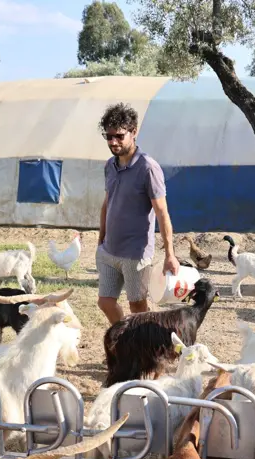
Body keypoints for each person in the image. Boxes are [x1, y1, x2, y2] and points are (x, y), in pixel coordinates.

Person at [96, 102, 179, 325]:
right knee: (105, 302)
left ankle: (143, 351)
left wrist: (170, 254)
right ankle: (125, 339)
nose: (113, 141)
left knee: (138, 308)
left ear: (134, 132)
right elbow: (107, 202)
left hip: (136, 253)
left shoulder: (148, 168)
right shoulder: (109, 166)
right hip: (109, 250)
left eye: (119, 136)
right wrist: (101, 238)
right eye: (109, 136)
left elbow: (162, 212)